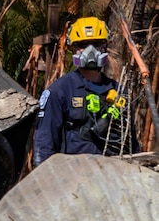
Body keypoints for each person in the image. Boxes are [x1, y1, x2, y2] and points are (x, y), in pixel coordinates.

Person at [34, 16, 128, 164]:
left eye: (97, 44)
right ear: (73, 48)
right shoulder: (59, 91)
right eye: (83, 45)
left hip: (112, 175)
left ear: (105, 46)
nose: (90, 51)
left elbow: (131, 141)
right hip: (72, 176)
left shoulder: (119, 91)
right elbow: (44, 143)